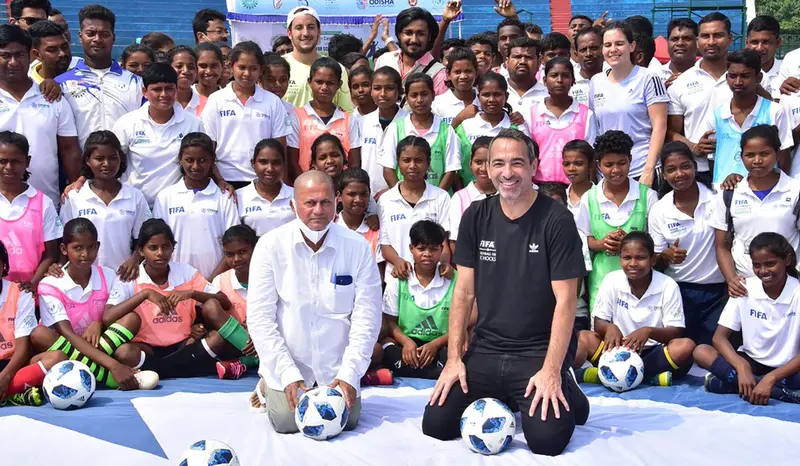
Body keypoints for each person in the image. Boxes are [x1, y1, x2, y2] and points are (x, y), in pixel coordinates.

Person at [422, 128, 590, 456]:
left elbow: (566, 302)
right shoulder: (476, 216)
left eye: (517, 163)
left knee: (546, 441)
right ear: (485, 168)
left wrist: (552, 370)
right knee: (437, 425)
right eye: (497, 163)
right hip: (488, 347)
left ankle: (567, 385)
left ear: (534, 166)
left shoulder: (556, 220)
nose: (507, 172)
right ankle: (511, 393)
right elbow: (463, 293)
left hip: (537, 351)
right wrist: (454, 360)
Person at [246, 170, 382, 433]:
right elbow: (260, 319)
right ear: (293, 205)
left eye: (326, 202)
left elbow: (368, 317)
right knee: (288, 423)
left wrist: (349, 374)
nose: (318, 210)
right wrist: (287, 375)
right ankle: (266, 383)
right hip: (290, 364)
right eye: (310, 203)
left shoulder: (358, 247)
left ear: (337, 202)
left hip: (336, 368)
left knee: (348, 422)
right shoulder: (269, 246)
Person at [33, 218, 159, 391]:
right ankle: (110, 378)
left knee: (131, 319)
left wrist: (98, 323)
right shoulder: (50, 284)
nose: (85, 254)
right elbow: (67, 334)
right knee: (40, 334)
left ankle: (88, 372)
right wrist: (114, 365)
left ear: (98, 246)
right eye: (77, 248)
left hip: (99, 343)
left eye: (91, 247)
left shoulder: (108, 275)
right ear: (64, 249)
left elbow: (112, 315)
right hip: (65, 346)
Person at [102, 218, 234, 380]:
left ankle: (161, 371)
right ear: (141, 251)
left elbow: (224, 302)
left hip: (184, 345)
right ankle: (185, 368)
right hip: (148, 349)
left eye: (166, 247)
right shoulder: (130, 277)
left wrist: (191, 293)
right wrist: (145, 294)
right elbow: (107, 317)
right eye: (153, 248)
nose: (160, 253)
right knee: (124, 352)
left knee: (217, 339)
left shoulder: (186, 272)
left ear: (173, 248)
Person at [574, 232, 695, 387]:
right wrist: (609, 327)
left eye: (640, 258)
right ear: (620, 259)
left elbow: (676, 331)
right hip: (616, 352)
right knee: (584, 337)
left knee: (686, 346)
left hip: (651, 352)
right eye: (626, 257)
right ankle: (649, 378)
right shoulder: (612, 280)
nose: (633, 263)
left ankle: (609, 376)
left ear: (652, 260)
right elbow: (599, 322)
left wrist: (648, 331)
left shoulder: (668, 285)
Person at [694, 232, 800, 405]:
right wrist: (742, 367)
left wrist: (772, 377)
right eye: (757, 265)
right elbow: (719, 338)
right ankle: (778, 393)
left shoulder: (797, 292)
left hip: (787, 369)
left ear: (787, 260)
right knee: (701, 351)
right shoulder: (744, 288)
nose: (763, 271)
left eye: (770, 264)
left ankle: (736, 384)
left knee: (716, 382)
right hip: (751, 361)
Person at [648, 142, 727, 346]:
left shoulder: (717, 199)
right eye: (671, 169)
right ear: (663, 174)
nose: (679, 174)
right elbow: (656, 260)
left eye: (685, 166)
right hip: (680, 293)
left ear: (695, 166)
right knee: (683, 352)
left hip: (718, 292)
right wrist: (666, 255)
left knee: (712, 351)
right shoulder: (659, 209)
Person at [710, 125, 800, 292]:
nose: (757, 161)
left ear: (777, 154)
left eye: (764, 154)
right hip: (746, 288)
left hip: (790, 286)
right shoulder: (729, 193)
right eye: (750, 155)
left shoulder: (796, 190)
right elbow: (722, 246)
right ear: (741, 156)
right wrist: (732, 280)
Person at [576, 130, 658, 311]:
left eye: (621, 163)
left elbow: (656, 243)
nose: (615, 170)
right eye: (609, 164)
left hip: (641, 288)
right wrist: (602, 243)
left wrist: (629, 243)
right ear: (598, 165)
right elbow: (585, 240)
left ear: (630, 159)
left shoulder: (648, 196)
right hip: (601, 284)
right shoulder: (589, 199)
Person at [0, 24, 80, 206]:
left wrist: (77, 192)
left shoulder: (52, 97)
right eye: (5, 55)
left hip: (45, 203)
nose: (13, 62)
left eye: (19, 55)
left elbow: (69, 149)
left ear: (31, 55)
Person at [112, 63, 204, 207]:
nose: (164, 95)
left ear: (177, 89)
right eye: (157, 89)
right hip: (135, 206)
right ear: (144, 91)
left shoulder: (193, 124)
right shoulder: (127, 123)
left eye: (169, 89)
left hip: (178, 206)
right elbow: (111, 159)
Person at [201, 41, 291, 188]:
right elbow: (209, 147)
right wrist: (219, 180)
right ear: (230, 66)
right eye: (241, 67)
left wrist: (282, 186)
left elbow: (280, 150)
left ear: (261, 70)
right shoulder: (216, 100)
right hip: (225, 180)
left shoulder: (272, 102)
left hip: (262, 180)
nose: (247, 74)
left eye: (253, 68)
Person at [60, 131, 150, 276]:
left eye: (112, 158)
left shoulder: (135, 197)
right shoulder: (74, 197)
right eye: (99, 158)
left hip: (122, 277)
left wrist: (135, 259)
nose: (106, 164)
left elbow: (145, 238)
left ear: (120, 158)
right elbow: (64, 240)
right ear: (88, 160)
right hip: (86, 279)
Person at [591, 21, 667, 187]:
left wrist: (649, 169)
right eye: (607, 45)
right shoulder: (596, 82)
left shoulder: (649, 78)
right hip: (608, 173)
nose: (613, 50)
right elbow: (596, 128)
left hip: (640, 168)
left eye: (619, 44)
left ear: (632, 46)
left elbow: (659, 127)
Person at [56, 4, 144, 149]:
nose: (97, 39)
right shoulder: (61, 84)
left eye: (104, 34)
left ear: (113, 38)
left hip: (126, 169)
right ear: (80, 37)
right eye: (91, 33)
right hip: (79, 168)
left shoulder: (136, 83)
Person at [153, 133, 239, 280]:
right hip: (176, 283)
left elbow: (233, 246)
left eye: (202, 160)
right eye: (189, 160)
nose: (196, 166)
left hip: (215, 281)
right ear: (180, 159)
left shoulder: (224, 197)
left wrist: (211, 282)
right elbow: (157, 244)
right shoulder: (165, 197)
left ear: (212, 161)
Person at [700, 49, 792, 185]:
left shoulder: (774, 111)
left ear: (758, 78)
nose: (738, 81)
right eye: (732, 76)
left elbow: (783, 158)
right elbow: (713, 159)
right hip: (724, 192)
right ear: (726, 78)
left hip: (766, 191)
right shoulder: (716, 115)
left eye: (745, 76)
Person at [666, 13, 734, 185]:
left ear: (730, 38)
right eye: (705, 36)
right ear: (698, 41)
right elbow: (671, 132)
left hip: (740, 167)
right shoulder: (681, 83)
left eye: (718, 35)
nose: (711, 42)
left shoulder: (745, 77)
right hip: (699, 171)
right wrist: (693, 147)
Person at [382, 220, 453, 379]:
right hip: (406, 345)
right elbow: (390, 322)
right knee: (385, 347)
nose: (427, 254)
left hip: (440, 345)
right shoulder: (398, 280)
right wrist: (407, 342)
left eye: (434, 249)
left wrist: (435, 344)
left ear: (441, 249)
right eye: (421, 249)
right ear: (411, 248)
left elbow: (461, 324)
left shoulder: (452, 280)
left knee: (459, 351)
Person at [379, 137, 451, 280]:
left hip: (433, 278)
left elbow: (444, 242)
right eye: (406, 160)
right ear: (398, 162)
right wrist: (397, 261)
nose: (412, 166)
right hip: (398, 278)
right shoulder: (386, 199)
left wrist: (443, 263)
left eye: (419, 160)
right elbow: (385, 244)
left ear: (428, 163)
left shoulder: (441, 197)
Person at [0, 241, 62, 407]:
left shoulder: (20, 292)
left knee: (57, 357)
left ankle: (9, 390)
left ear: (3, 265)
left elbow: (23, 347)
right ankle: (15, 393)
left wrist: (5, 376)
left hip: (13, 365)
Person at [379, 74, 461, 191]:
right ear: (406, 98)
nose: (419, 100)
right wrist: (403, 197)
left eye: (424, 94)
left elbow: (451, 170)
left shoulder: (447, 131)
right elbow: (388, 169)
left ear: (433, 95)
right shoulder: (395, 129)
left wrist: (436, 199)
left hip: (438, 204)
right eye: (414, 95)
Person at [0, 131, 60, 290]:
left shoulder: (43, 203)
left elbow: (51, 254)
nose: (9, 167)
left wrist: (33, 283)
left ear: (27, 161)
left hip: (30, 294)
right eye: (2, 161)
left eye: (16, 161)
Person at [287, 57, 361, 178]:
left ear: (339, 84)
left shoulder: (348, 120)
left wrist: (343, 189)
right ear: (310, 82)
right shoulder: (296, 117)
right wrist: (306, 187)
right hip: (306, 188)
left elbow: (354, 162)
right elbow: (292, 163)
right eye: (319, 82)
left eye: (330, 83)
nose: (324, 87)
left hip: (340, 190)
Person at [527, 57, 596, 185]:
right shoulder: (531, 113)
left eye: (565, 76)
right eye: (554, 75)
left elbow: (591, 157)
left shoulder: (586, 115)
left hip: (575, 187)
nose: (559, 80)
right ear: (544, 80)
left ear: (573, 80)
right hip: (540, 186)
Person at [455, 72, 529, 185]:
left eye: (497, 94)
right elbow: (455, 167)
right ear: (478, 96)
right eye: (486, 94)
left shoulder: (518, 127)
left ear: (507, 96)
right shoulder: (465, 127)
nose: (491, 99)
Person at [283, 7, 352, 112]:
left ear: (319, 31)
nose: (305, 33)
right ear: (289, 33)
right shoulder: (278, 67)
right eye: (299, 27)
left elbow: (346, 114)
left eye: (311, 27)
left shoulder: (337, 69)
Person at [375, 7, 447, 97]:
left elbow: (439, 109)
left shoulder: (438, 73)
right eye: (408, 33)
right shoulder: (384, 60)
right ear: (399, 34)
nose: (413, 40)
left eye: (420, 34)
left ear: (429, 37)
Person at [360, 66, 407, 197]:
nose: (382, 93)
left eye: (389, 88)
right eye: (377, 88)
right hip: (366, 195)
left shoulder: (409, 122)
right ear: (371, 90)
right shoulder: (362, 122)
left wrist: (393, 191)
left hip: (401, 194)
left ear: (399, 91)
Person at [237, 139, 294, 237]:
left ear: (284, 164)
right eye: (263, 162)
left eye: (276, 163)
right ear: (253, 164)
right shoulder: (238, 197)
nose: (270, 169)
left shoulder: (296, 195)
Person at [449, 137, 496, 247]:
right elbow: (454, 240)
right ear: (470, 163)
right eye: (478, 162)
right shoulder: (459, 198)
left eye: (490, 162)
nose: (484, 168)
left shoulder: (507, 196)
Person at [431, 47, 479, 125]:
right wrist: (460, 118)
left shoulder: (486, 101)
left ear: (476, 72)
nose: (463, 76)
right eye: (457, 72)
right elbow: (439, 137)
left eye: (468, 71)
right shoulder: (437, 105)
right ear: (448, 74)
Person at [506, 37, 549, 114]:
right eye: (517, 57)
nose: (522, 61)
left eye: (529, 57)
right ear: (507, 62)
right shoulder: (495, 93)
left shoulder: (548, 95)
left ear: (539, 62)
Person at [260, 52, 298, 134]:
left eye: (283, 80)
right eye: (270, 80)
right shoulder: (254, 109)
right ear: (259, 81)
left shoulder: (292, 110)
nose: (278, 85)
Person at [746, 15, 782, 99]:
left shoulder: (789, 71)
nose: (759, 48)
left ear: (778, 42)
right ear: (747, 43)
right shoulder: (738, 74)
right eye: (754, 42)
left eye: (766, 42)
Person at [28, 20, 72, 84]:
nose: (62, 54)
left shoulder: (84, 75)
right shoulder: (30, 86)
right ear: (37, 54)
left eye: (65, 46)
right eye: (52, 50)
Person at [562, 139, 595, 217]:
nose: (571, 168)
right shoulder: (561, 196)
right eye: (566, 164)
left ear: (591, 165)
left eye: (578, 164)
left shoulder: (601, 197)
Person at [571, 27, 603, 106]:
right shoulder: (569, 82)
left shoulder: (614, 78)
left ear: (603, 49)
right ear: (576, 54)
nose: (588, 54)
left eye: (593, 48)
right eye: (583, 50)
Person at [662, 18, 699, 85]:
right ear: (667, 42)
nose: (680, 43)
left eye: (686, 39)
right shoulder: (654, 75)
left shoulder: (708, 75)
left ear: (697, 42)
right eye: (674, 39)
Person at [193, 42, 223, 115]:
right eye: (203, 66)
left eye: (214, 66)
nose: (209, 71)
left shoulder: (229, 97)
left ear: (222, 66)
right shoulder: (186, 96)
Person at [169, 46, 200, 115]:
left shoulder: (207, 103)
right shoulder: (160, 104)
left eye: (191, 67)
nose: (185, 71)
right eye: (179, 66)